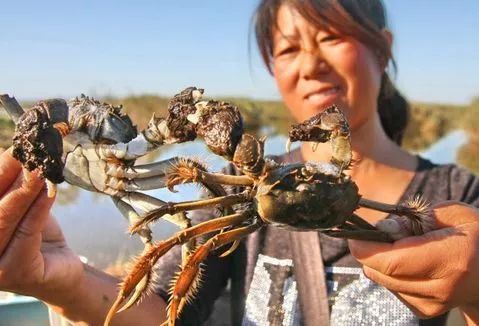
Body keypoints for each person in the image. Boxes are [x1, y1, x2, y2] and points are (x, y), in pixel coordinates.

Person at [0, 0, 478, 325]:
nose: (310, 64)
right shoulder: (234, 190)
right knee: (188, 238)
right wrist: (61, 280)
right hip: (255, 199)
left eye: (332, 37)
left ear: (382, 47)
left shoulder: (460, 201)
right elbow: (171, 310)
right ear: (273, 67)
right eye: (289, 48)